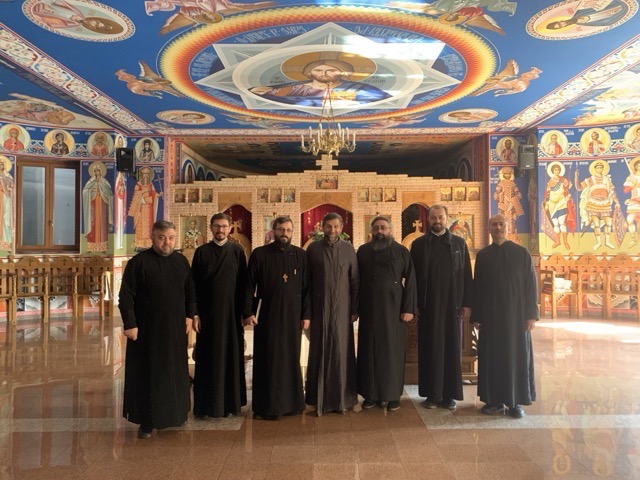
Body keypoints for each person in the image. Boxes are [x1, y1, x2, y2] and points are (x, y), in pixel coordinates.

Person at [119, 220, 196, 439]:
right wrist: (130, 324)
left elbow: (190, 291)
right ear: (153, 237)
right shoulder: (138, 263)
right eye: (162, 238)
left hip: (174, 328)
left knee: (174, 371)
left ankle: (175, 415)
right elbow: (126, 296)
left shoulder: (181, 261)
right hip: (147, 330)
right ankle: (147, 421)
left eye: (171, 238)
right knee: (149, 373)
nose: (167, 242)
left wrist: (190, 315)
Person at [472, 214, 538, 419]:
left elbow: (531, 286)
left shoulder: (522, 253)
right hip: (490, 318)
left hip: (516, 317)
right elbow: (477, 287)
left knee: (515, 357)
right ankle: (493, 401)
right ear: (489, 229)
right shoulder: (483, 256)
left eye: (501, 224)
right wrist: (477, 316)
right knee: (492, 358)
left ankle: (515, 402)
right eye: (494, 224)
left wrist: (531, 315)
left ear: (508, 228)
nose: (498, 227)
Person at [244, 216, 310, 419]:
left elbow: (307, 288)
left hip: (292, 316)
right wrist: (248, 312)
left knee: (291, 357)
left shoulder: (300, 255)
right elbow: (248, 285)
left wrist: (306, 314)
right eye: (281, 229)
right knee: (268, 358)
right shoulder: (259, 254)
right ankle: (266, 407)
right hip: (267, 315)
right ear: (273, 231)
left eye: (288, 230)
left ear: (292, 232)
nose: (284, 233)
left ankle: (292, 405)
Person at [410, 205, 472, 410]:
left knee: (451, 350)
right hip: (428, 307)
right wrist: (415, 304)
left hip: (452, 306)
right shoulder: (419, 245)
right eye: (433, 217)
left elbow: (466, 275)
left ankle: (449, 395)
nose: (437, 221)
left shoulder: (459, 244)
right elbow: (412, 278)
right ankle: (431, 395)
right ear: (428, 219)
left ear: (447, 218)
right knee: (429, 349)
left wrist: (466, 303)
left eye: (440, 217)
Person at [191, 213, 248, 418]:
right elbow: (193, 285)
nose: (221, 230)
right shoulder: (201, 252)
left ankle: (231, 404)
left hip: (232, 315)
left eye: (224, 226)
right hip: (207, 316)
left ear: (229, 228)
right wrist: (195, 314)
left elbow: (244, 284)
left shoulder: (237, 251)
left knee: (231, 356)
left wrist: (245, 312)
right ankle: (207, 405)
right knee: (208, 357)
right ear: (211, 228)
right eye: (217, 226)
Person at [357, 216, 417, 411]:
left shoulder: (401, 251)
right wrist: (355, 309)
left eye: (383, 227)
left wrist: (408, 308)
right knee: (369, 350)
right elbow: (355, 281)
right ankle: (370, 395)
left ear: (390, 230)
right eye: (376, 228)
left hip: (393, 309)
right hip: (368, 309)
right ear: (371, 231)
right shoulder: (363, 251)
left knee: (392, 352)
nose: (380, 231)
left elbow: (411, 280)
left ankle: (392, 396)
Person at [306, 213, 359, 416]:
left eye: (336, 226)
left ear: (341, 227)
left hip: (343, 309)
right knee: (318, 350)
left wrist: (354, 309)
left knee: (341, 351)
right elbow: (307, 282)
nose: (332, 230)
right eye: (329, 226)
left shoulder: (348, 249)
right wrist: (307, 311)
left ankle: (344, 398)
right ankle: (315, 398)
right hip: (319, 309)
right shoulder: (313, 249)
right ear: (322, 227)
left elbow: (355, 281)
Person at [250, 59, 390, 106]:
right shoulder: (296, 88)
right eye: (317, 70)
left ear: (343, 73)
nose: (324, 74)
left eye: (331, 70)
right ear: (309, 73)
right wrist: (262, 91)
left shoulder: (358, 89)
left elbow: (381, 100)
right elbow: (269, 94)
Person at [575, 161, 620, 250]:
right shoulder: (590, 179)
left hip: (605, 203)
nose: (599, 169)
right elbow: (579, 187)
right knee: (596, 224)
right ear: (595, 169)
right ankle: (598, 242)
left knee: (608, 223)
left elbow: (613, 192)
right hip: (593, 204)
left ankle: (607, 242)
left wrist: (617, 202)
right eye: (598, 168)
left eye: (601, 167)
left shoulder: (607, 179)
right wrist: (576, 177)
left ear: (603, 169)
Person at [543, 162, 576, 249]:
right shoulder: (550, 181)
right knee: (555, 223)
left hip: (561, 202)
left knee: (561, 222)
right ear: (552, 171)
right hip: (552, 204)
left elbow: (573, 188)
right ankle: (558, 241)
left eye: (558, 170)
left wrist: (569, 195)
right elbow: (548, 193)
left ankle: (565, 241)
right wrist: (547, 203)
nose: (557, 171)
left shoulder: (563, 180)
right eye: (555, 170)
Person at [128, 167, 162, 250]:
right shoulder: (138, 185)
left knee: (148, 226)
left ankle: (148, 244)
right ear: (141, 176)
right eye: (144, 175)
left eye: (147, 175)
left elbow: (153, 194)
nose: (146, 177)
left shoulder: (150, 185)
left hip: (149, 209)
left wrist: (158, 195)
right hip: (140, 209)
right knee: (140, 226)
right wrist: (143, 197)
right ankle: (139, 244)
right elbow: (136, 196)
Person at [82, 162, 113, 251]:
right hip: (93, 205)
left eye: (98, 171)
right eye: (95, 171)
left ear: (101, 172)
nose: (96, 173)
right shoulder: (90, 181)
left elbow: (110, 193)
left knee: (102, 224)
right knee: (92, 223)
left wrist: (103, 192)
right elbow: (84, 191)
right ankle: (91, 247)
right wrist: (90, 191)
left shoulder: (105, 182)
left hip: (103, 204)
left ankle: (103, 247)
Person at [494, 166, 524, 242]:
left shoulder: (513, 184)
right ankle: (503, 236)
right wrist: (500, 195)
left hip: (512, 206)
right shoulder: (500, 184)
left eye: (508, 174)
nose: (507, 175)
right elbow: (496, 195)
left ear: (511, 175)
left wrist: (513, 201)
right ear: (503, 175)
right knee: (503, 220)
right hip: (503, 206)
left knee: (513, 221)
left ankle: (512, 238)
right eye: (505, 174)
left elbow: (518, 195)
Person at [623, 158, 640, 247]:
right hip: (634, 201)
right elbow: (625, 190)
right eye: (638, 166)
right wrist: (633, 185)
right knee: (630, 219)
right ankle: (633, 239)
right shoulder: (631, 177)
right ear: (635, 167)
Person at [0, 157, 14, 246]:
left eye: (1, 164)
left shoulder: (8, 177)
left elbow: (12, 189)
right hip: (3, 198)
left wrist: (10, 189)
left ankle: (6, 241)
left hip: (5, 199)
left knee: (6, 218)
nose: (0, 166)